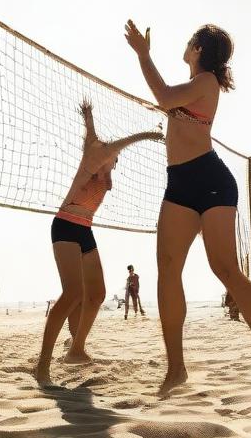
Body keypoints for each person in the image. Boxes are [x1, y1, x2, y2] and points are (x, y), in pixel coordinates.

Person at [125, 20, 251, 402]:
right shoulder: (193, 87)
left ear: (199, 50)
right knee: (167, 267)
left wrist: (143, 55)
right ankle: (176, 367)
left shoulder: (207, 82)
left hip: (210, 179)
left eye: (189, 42)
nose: (185, 45)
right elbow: (168, 101)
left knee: (225, 269)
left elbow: (164, 97)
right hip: (179, 182)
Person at [34, 100, 163, 385]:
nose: (115, 161)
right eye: (112, 156)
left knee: (96, 294)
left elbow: (92, 136)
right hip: (66, 224)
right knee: (71, 293)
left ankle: (76, 349)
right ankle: (42, 364)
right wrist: (148, 135)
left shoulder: (103, 167)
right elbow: (109, 145)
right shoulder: (93, 161)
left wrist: (89, 117)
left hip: (85, 229)